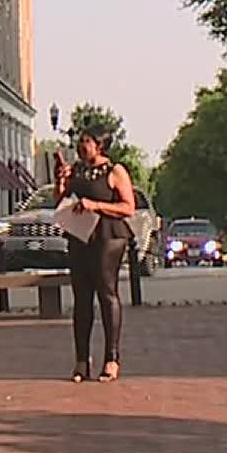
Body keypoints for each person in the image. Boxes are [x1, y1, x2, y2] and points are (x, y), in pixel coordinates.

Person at [54, 131, 138, 383]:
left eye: (87, 142)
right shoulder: (76, 171)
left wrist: (96, 205)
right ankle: (81, 361)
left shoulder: (114, 171)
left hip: (108, 236)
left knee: (106, 292)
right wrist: (60, 181)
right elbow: (60, 201)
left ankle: (111, 359)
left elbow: (128, 207)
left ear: (100, 146)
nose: (81, 146)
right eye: (79, 142)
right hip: (80, 236)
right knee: (81, 297)